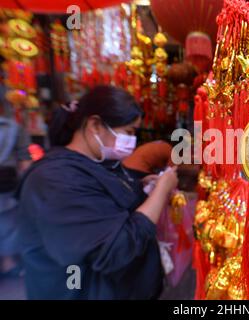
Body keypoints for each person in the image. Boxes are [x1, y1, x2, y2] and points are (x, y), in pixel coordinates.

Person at [16, 86, 178, 299]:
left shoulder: (97, 163)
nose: (132, 141)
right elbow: (114, 248)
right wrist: (161, 191)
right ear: (95, 126)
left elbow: (103, 202)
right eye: (128, 132)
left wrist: (139, 186)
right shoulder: (55, 180)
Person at [0, 102, 32, 276]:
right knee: (8, 222)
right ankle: (8, 262)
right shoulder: (14, 128)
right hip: (6, 182)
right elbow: (25, 161)